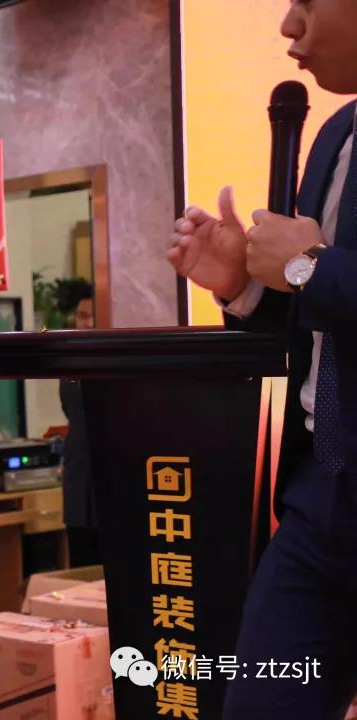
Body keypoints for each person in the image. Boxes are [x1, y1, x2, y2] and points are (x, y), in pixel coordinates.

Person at [169, 2, 357, 715]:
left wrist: (310, 268)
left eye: (307, 0)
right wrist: (244, 286)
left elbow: (320, 277)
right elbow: (324, 325)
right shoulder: (336, 132)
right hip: (319, 496)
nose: (287, 25)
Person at [57, 287, 101, 567]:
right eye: (82, 316)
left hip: (112, 481)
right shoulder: (69, 362)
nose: (87, 323)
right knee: (80, 563)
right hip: (78, 476)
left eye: (92, 316)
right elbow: (68, 409)